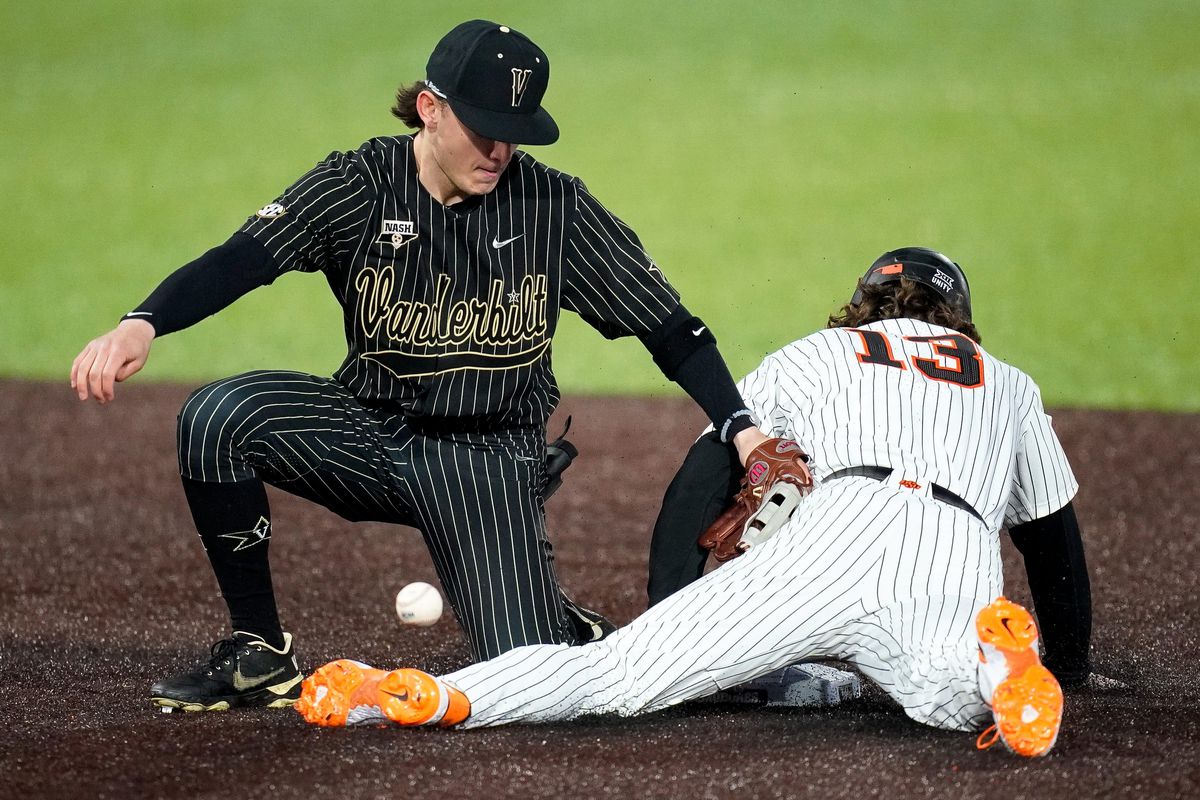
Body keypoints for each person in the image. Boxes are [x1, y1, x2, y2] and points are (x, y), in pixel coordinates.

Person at [69, 19, 770, 713]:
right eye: (484, 126)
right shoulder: (357, 184)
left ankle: (553, 622)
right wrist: (145, 319)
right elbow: (244, 259)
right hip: (365, 433)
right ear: (430, 109)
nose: (500, 149)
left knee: (528, 681)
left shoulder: (554, 207)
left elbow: (670, 327)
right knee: (218, 417)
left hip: (485, 458)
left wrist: (739, 426)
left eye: (515, 130)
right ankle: (258, 652)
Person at [292, 247, 1092, 758]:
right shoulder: (1010, 384)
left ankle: (436, 696)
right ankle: (1000, 665)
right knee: (945, 696)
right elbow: (1053, 539)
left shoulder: (821, 351)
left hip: (834, 534)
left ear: (865, 305)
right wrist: (1076, 662)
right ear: (957, 317)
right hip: (949, 546)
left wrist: (678, 605)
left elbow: (703, 478)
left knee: (617, 674)